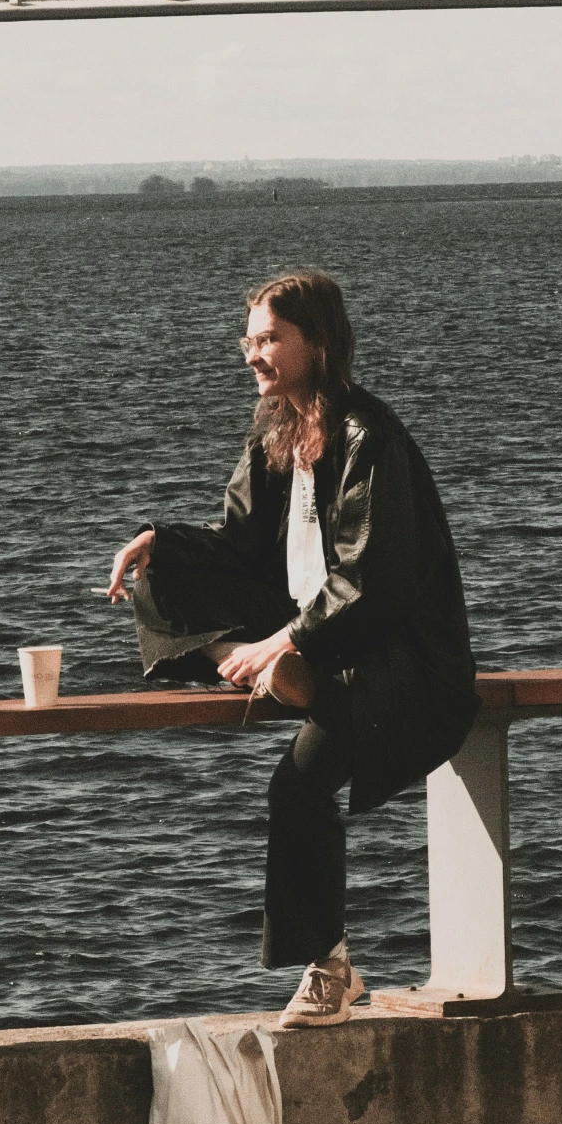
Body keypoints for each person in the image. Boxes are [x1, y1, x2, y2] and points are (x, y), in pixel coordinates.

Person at [105, 271, 479, 1029]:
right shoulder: (274, 423)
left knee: (295, 791)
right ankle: (267, 668)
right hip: (311, 631)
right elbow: (240, 540)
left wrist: (287, 637)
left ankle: (329, 967)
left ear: (320, 341)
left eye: (270, 338)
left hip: (388, 652)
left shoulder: (370, 436)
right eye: (248, 340)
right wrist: (160, 541)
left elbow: (376, 580)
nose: (254, 354)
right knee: (158, 576)